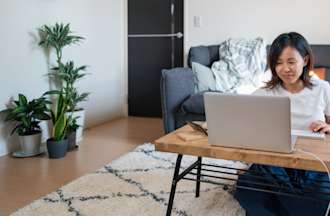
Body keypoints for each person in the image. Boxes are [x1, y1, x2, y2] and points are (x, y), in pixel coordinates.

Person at [234, 32, 330, 216]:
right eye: (278, 62)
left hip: (311, 164)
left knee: (319, 197)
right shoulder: (264, 93)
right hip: (272, 162)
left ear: (305, 60)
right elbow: (242, 121)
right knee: (247, 189)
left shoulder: (323, 89)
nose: (285, 68)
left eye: (291, 62)